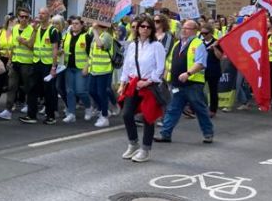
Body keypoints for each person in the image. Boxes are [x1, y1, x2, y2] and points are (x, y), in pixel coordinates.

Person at [156, 20, 214, 144]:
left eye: (187, 28)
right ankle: (165, 134)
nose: (183, 30)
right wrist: (166, 75)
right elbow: (170, 62)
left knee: (200, 109)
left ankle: (208, 133)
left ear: (195, 31)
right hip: (177, 84)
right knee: (173, 109)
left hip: (193, 84)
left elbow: (200, 63)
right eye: (183, 27)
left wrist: (188, 74)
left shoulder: (198, 44)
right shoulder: (177, 44)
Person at [118, 16, 166, 163]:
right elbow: (127, 66)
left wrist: (148, 81)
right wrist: (122, 83)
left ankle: (145, 149)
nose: (145, 29)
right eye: (142, 26)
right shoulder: (133, 45)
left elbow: (160, 68)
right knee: (127, 114)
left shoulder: (156, 46)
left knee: (148, 117)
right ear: (137, 28)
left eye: (148, 27)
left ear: (152, 30)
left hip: (149, 85)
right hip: (133, 83)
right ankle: (133, 143)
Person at [20, 7, 61, 125]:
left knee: (49, 91)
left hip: (47, 64)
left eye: (43, 13)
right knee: (31, 88)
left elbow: (55, 49)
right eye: (39, 13)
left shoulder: (53, 30)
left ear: (48, 15)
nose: (41, 15)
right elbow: (31, 44)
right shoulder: (37, 29)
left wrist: (53, 67)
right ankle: (31, 115)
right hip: (36, 62)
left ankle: (50, 116)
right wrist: (34, 30)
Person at [61, 16, 93, 123]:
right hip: (68, 67)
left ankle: (88, 107)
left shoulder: (86, 36)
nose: (74, 25)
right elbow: (62, 49)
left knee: (81, 91)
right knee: (70, 91)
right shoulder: (66, 35)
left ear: (82, 25)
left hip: (81, 67)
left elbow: (91, 54)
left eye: (77, 23)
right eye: (73, 23)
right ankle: (71, 114)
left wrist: (86, 67)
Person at [8, 8, 35, 116]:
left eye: (26, 17)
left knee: (27, 86)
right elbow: (13, 46)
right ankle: (8, 109)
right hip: (15, 61)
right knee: (11, 86)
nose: (24, 19)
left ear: (29, 18)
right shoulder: (15, 28)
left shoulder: (32, 30)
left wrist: (23, 41)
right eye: (22, 16)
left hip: (27, 62)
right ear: (18, 17)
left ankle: (29, 105)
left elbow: (32, 46)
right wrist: (10, 59)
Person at [88, 22, 114, 128]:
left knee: (101, 93)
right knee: (92, 91)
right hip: (94, 69)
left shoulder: (106, 36)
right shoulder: (96, 36)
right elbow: (92, 53)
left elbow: (100, 45)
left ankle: (104, 116)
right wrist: (88, 66)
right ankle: (103, 109)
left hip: (104, 69)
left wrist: (94, 31)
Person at [0, 14, 16, 121]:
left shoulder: (15, 33)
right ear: (9, 22)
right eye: (13, 22)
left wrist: (10, 59)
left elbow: (15, 47)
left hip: (12, 59)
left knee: (11, 82)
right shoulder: (1, 32)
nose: (15, 24)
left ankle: (12, 103)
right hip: (1, 58)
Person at [200, 24, 223, 117]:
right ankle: (198, 108)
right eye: (202, 33)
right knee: (198, 89)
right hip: (202, 70)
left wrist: (214, 48)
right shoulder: (200, 42)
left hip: (213, 70)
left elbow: (220, 57)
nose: (203, 35)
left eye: (205, 33)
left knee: (213, 91)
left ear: (211, 33)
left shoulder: (217, 42)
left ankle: (213, 110)